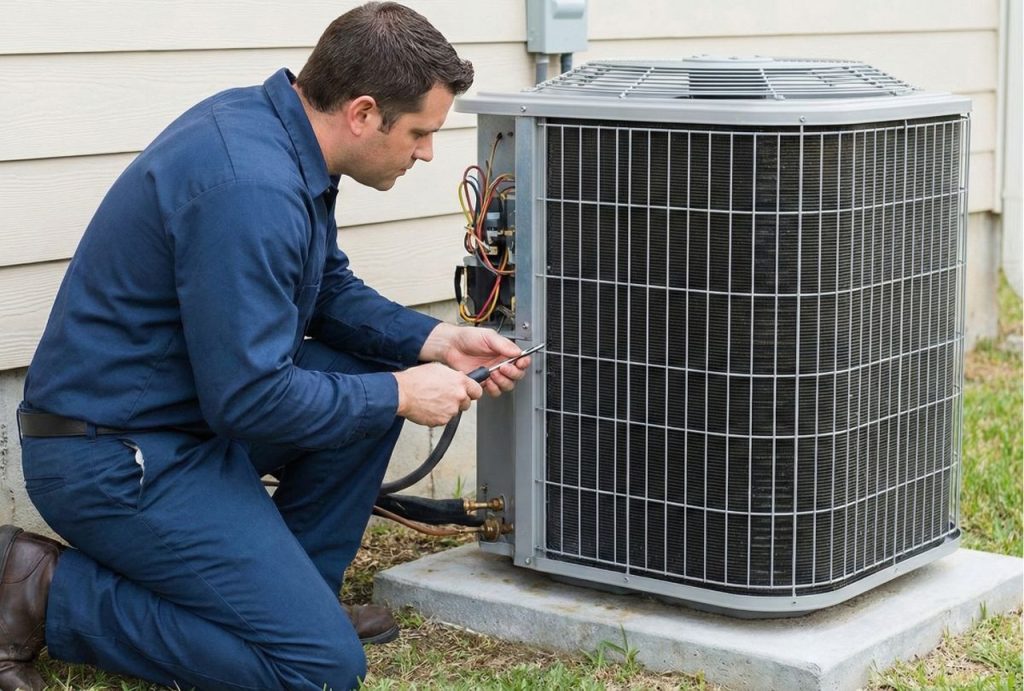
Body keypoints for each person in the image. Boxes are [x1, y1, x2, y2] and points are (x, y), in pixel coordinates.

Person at [6, 3, 529, 689]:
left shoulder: (277, 134)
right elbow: (250, 399)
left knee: (368, 377)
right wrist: (402, 390)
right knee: (316, 668)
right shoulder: (249, 187)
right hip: (115, 455)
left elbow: (325, 290)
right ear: (363, 112)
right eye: (420, 133)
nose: (427, 152)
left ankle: (294, 600)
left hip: (178, 421)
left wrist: (434, 338)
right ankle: (44, 592)